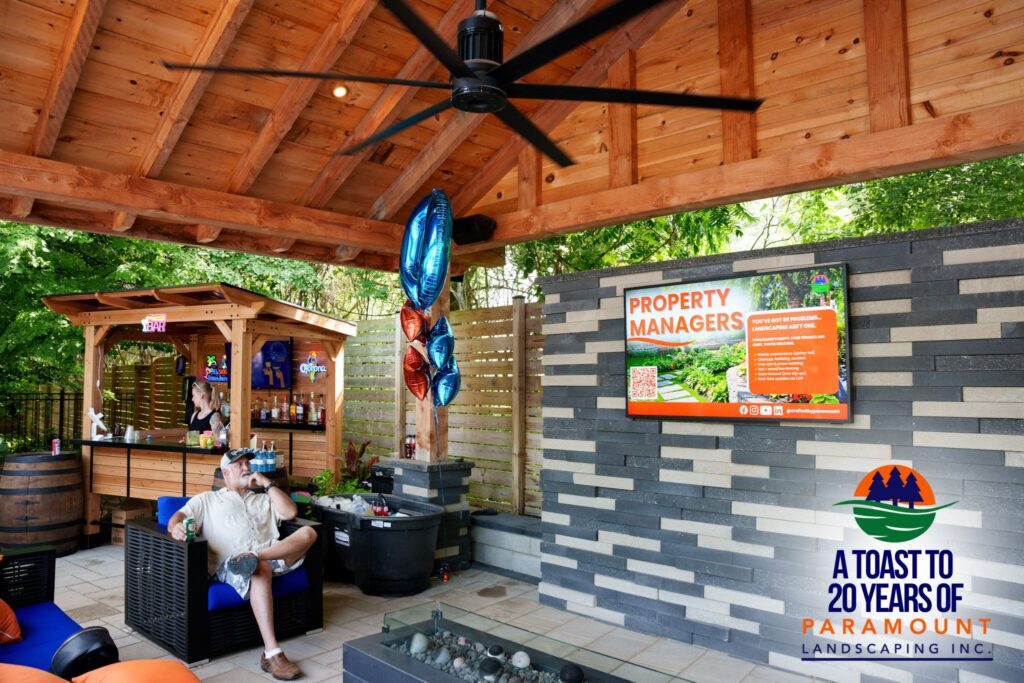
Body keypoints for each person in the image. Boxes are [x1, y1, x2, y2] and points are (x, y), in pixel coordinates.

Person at [167, 449, 317, 680]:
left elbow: (290, 512)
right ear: (226, 473)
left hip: (270, 555)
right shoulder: (208, 499)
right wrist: (176, 527)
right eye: (239, 465)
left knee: (308, 532)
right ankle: (272, 653)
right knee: (259, 568)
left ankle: (256, 555)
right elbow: (177, 518)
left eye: (247, 463)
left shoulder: (263, 498)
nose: (246, 468)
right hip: (231, 565)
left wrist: (267, 483)